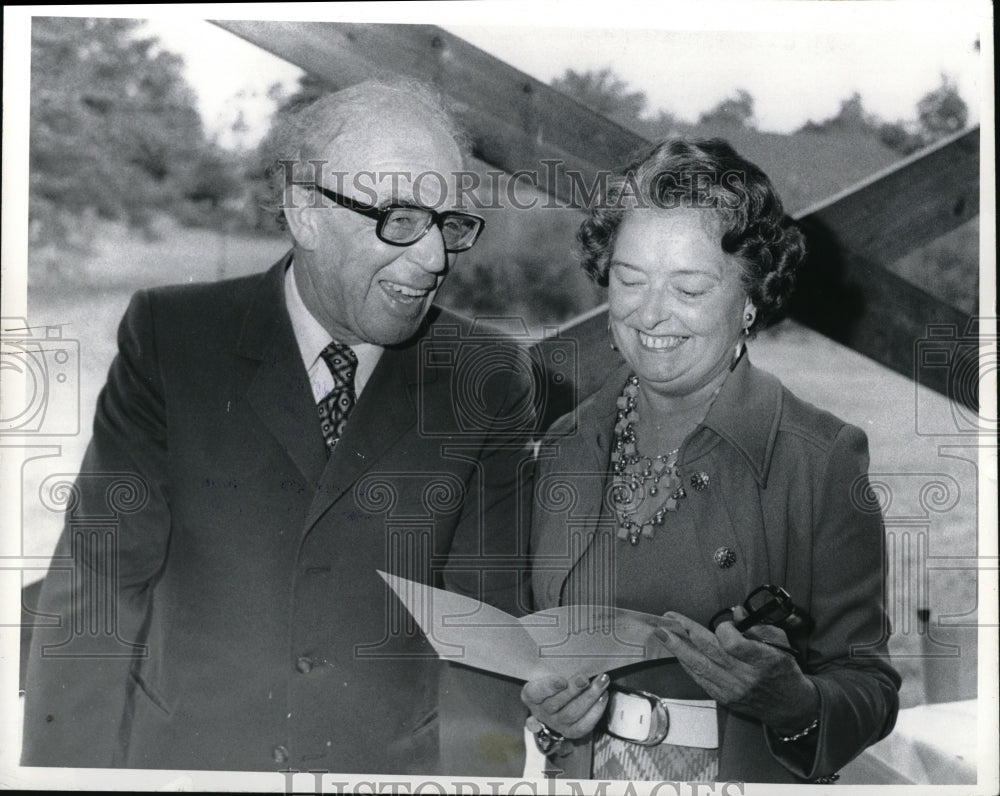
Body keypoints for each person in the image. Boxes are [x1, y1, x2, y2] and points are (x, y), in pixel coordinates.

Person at [22, 78, 532, 775]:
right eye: (402, 220)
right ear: (305, 212)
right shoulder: (173, 339)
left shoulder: (490, 377)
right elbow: (98, 590)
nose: (435, 259)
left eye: (449, 225)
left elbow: (484, 645)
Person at [521, 138, 900, 783]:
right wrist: (551, 712)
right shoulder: (562, 444)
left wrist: (794, 703)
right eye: (630, 278)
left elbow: (869, 685)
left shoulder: (823, 458)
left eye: (690, 287)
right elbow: (533, 651)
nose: (651, 313)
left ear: (751, 298)